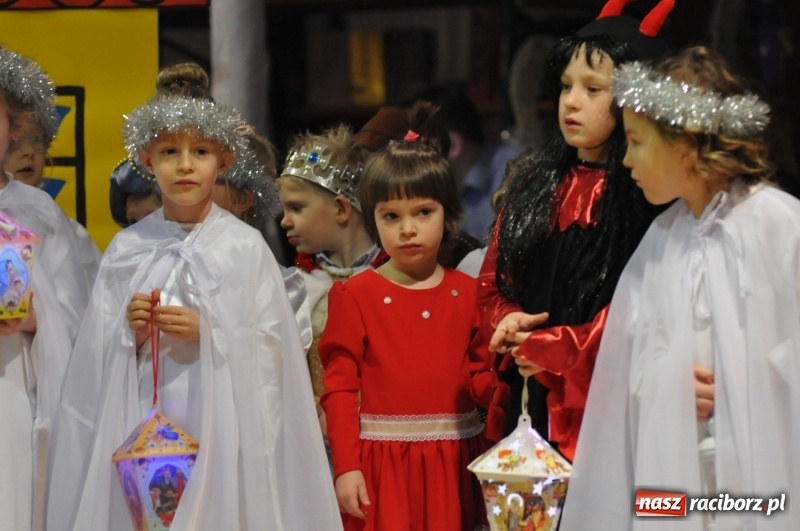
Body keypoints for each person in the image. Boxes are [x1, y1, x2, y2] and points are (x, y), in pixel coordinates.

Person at [46, 94, 340, 530]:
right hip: (146, 419)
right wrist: (132, 333)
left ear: (224, 161)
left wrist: (211, 328)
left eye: (200, 152)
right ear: (147, 160)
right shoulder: (127, 249)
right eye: (169, 152)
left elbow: (275, 348)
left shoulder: (243, 248)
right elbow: (93, 359)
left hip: (221, 420)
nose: (185, 166)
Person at [560, 46, 798, 531]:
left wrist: (747, 377)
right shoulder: (661, 240)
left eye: (636, 142)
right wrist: (667, 382)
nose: (626, 160)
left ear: (685, 144)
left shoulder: (778, 226)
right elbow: (626, 367)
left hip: (762, 478)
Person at [478, 0, 674, 462]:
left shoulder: (649, 199)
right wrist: (508, 319)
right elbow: (491, 284)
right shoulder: (533, 186)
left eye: (593, 88)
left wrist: (557, 351)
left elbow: (645, 316)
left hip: (608, 403)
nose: (571, 100)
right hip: (530, 398)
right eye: (567, 85)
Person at [320, 102, 508, 531]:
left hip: (455, 463)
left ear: (448, 214)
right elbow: (341, 389)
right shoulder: (355, 295)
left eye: (423, 212)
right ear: (373, 221)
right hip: (381, 468)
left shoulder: (468, 293)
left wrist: (509, 389)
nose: (408, 228)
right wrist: (347, 466)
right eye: (391, 216)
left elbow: (481, 376)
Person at [0, 46, 90, 531]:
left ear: (14, 127)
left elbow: (77, 318)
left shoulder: (38, 212)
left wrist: (35, 318)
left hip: (13, 383)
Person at [277, 123, 385, 438]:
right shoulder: (293, 287)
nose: (284, 221)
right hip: (312, 438)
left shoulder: (391, 282)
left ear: (341, 209)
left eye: (296, 208)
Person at [4, 101, 102, 290]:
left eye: (37, 141)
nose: (28, 152)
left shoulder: (72, 233)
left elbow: (99, 300)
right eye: (14, 142)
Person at [413, 84, 525, 241]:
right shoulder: (449, 186)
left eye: (419, 147)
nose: (410, 159)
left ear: (453, 145)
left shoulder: (517, 171)